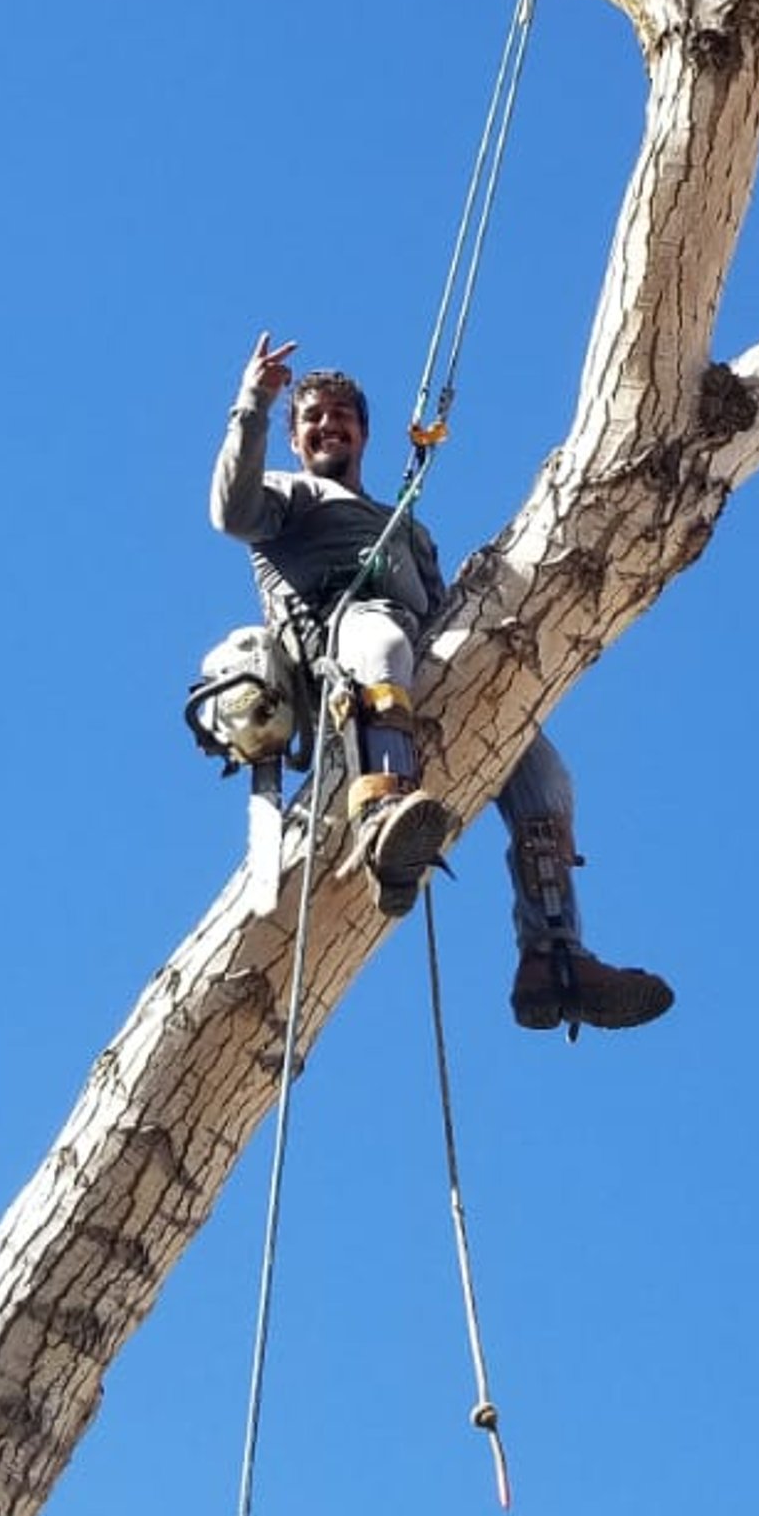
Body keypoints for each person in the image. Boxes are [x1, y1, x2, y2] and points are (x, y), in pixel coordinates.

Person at [210, 336, 673, 1035]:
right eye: (312, 419)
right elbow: (231, 511)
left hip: (416, 654)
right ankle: (381, 811)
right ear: (297, 438)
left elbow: (438, 608)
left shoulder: (409, 528)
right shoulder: (286, 493)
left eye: (341, 416)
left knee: (543, 771)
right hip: (346, 647)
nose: (327, 425)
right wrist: (253, 406)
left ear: (363, 430)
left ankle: (554, 955)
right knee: (383, 637)